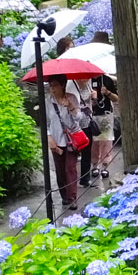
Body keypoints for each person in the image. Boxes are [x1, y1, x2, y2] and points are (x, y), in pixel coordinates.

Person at [46, 74, 82, 208]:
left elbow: (78, 118)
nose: (53, 89)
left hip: (71, 140)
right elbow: (46, 122)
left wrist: (70, 107)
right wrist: (49, 138)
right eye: (51, 86)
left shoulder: (71, 97)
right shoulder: (48, 101)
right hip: (56, 140)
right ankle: (65, 196)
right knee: (60, 171)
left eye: (55, 85)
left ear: (62, 85)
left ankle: (72, 198)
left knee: (70, 169)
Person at [92, 76, 118, 179]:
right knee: (94, 142)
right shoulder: (88, 80)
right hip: (92, 114)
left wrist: (107, 92)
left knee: (106, 141)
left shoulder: (107, 80)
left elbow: (116, 98)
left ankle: (105, 167)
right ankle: (94, 165)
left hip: (106, 114)